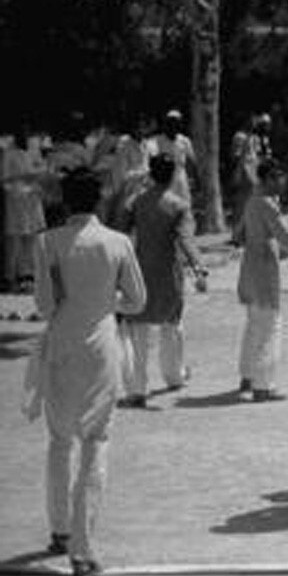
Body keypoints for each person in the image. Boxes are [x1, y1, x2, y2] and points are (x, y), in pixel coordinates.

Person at [31, 167, 146, 576]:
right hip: (101, 347)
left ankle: (60, 530)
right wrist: (103, 299)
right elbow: (137, 301)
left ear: (64, 200)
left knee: (60, 440)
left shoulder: (47, 243)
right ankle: (82, 549)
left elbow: (44, 306)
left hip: (61, 344)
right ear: (99, 200)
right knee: (95, 442)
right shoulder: (116, 242)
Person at [119, 154, 206, 408]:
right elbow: (186, 240)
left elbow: (121, 232)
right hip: (168, 273)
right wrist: (199, 268)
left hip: (139, 270)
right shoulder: (178, 205)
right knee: (172, 325)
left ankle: (136, 389)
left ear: (151, 173)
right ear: (173, 175)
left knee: (138, 331)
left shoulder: (135, 202)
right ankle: (174, 376)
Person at [235, 159, 288, 401]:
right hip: (263, 269)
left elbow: (238, 232)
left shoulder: (254, 199)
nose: (283, 182)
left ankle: (248, 376)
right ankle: (263, 385)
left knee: (254, 324)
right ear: (269, 178)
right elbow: (286, 237)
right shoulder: (267, 203)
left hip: (250, 266)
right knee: (269, 326)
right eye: (279, 177)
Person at [3, 128, 46, 292]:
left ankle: (27, 275)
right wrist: (24, 177)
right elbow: (5, 178)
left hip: (33, 198)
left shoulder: (34, 149)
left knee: (32, 237)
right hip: (16, 198)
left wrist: (36, 178)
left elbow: (41, 170)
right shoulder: (9, 153)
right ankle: (9, 276)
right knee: (14, 238)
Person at [148, 109, 198, 207]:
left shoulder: (185, 141)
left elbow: (192, 162)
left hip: (181, 180)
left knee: (184, 207)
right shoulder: (156, 140)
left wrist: (195, 180)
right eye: (170, 123)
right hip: (164, 182)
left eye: (177, 123)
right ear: (166, 124)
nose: (173, 126)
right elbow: (152, 162)